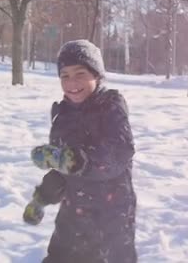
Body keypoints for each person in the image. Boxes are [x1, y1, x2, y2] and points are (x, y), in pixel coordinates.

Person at [23, 39, 137, 263]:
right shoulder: (62, 115)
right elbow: (62, 172)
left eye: (80, 73)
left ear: (97, 74)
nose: (71, 82)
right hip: (72, 217)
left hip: (110, 219)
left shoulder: (111, 106)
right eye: (64, 75)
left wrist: (74, 160)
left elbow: (119, 152)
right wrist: (41, 198)